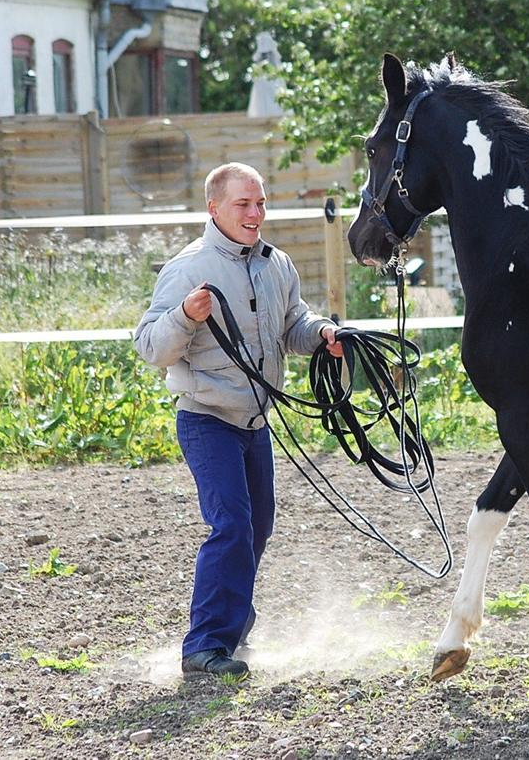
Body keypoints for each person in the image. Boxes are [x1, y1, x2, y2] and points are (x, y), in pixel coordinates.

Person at [134, 162, 344, 678]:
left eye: (260, 202)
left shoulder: (277, 265)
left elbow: (292, 324)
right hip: (207, 419)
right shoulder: (188, 269)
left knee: (257, 526)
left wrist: (322, 334)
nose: (256, 213)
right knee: (230, 524)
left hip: (254, 423)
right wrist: (185, 316)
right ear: (214, 208)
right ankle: (204, 646)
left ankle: (231, 626)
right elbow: (150, 346)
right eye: (243, 204)